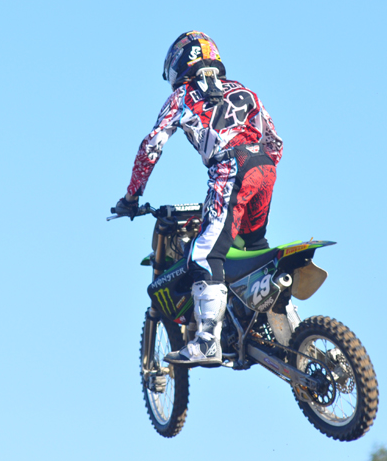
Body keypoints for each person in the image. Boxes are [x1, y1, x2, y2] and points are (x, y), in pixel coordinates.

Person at [114, 31, 283, 366]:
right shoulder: (242, 90)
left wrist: (132, 196)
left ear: (179, 63)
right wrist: (260, 171)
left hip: (231, 168)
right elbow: (275, 140)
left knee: (204, 254)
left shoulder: (182, 96)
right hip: (264, 168)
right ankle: (277, 329)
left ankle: (207, 341)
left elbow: (152, 146)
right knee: (255, 248)